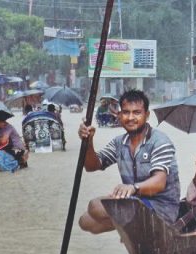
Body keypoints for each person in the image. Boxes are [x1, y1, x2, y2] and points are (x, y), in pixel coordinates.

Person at [77, 89, 181, 234]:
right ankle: (129, 225)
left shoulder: (159, 141)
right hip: (136, 202)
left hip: (161, 208)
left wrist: (133, 188)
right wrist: (88, 142)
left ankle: (130, 224)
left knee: (95, 206)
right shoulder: (119, 142)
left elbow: (159, 182)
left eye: (137, 112)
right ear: (119, 115)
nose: (130, 117)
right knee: (85, 221)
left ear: (146, 115)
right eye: (126, 112)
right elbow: (92, 166)